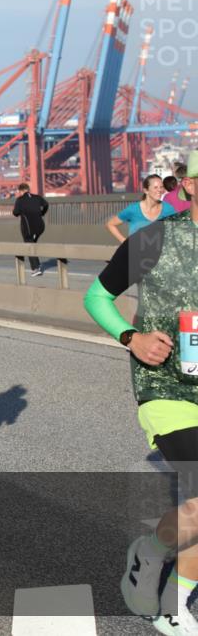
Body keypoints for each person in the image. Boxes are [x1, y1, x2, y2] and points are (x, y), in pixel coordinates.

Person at [83, 149, 198, 636]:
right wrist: (132, 338)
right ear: (188, 185)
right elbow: (96, 296)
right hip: (168, 388)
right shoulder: (155, 239)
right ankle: (162, 576)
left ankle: (164, 577)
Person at [106, 174, 177, 243]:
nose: (159, 190)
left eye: (161, 187)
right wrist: (124, 241)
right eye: (155, 187)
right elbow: (110, 224)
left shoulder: (168, 209)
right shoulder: (133, 209)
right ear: (146, 191)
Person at [11, 182, 49, 276]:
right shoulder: (37, 197)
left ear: (21, 191)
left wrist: (20, 211)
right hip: (40, 226)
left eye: (19, 192)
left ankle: (36, 268)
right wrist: (42, 213)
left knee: (29, 245)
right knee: (32, 244)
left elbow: (15, 213)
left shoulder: (20, 200)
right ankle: (37, 264)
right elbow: (46, 205)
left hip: (29, 228)